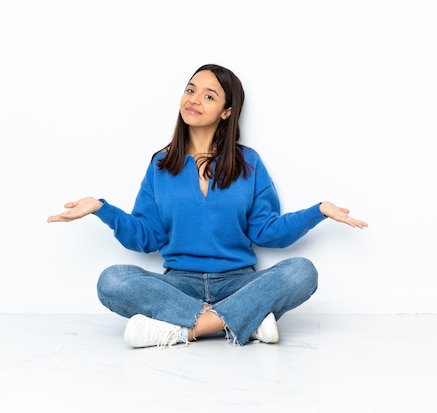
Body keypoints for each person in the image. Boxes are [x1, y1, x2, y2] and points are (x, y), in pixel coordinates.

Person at [47, 64, 368, 349]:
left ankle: (182, 330)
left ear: (227, 111)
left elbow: (267, 233)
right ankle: (244, 321)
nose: (194, 99)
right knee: (113, 280)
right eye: (190, 90)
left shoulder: (249, 163)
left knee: (301, 272)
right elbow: (146, 238)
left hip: (238, 282)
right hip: (178, 284)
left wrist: (319, 211)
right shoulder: (161, 165)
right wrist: (101, 208)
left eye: (209, 96)